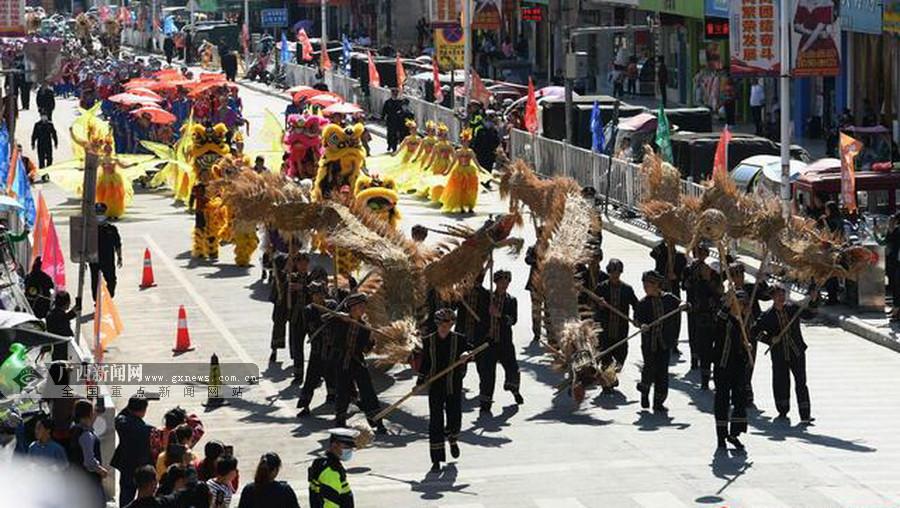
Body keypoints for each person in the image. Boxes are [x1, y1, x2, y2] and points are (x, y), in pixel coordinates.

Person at [754, 284, 815, 423]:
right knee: (781, 381)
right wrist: (769, 339)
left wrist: (813, 300)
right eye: (777, 295)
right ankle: (782, 410)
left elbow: (810, 314)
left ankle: (805, 414)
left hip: (796, 351)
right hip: (779, 354)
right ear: (772, 298)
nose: (781, 297)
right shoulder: (767, 316)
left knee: (801, 382)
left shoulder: (792, 310)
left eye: (783, 294)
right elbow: (754, 331)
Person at [420, 308, 471, 472]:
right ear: (437, 323)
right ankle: (436, 459)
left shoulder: (459, 339)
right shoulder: (429, 341)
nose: (445, 326)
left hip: (453, 385)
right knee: (435, 421)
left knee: (455, 417)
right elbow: (425, 364)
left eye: (449, 323)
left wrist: (466, 355)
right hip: (435, 386)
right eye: (443, 323)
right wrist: (420, 381)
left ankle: (453, 439)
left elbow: (471, 351)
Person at [332, 293, 388, 432]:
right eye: (360, 306)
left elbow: (366, 350)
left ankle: (377, 422)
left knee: (368, 391)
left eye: (364, 306)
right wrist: (339, 316)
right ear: (352, 308)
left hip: (357, 361)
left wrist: (370, 338)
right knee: (342, 392)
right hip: (342, 360)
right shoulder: (340, 320)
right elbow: (325, 319)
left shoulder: (364, 326)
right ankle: (340, 421)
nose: (363, 309)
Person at [634, 270, 683, 411]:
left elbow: (683, 303)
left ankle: (658, 402)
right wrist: (641, 325)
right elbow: (637, 320)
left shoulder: (668, 298)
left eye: (647, 285)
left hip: (664, 342)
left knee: (662, 372)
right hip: (649, 343)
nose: (645, 287)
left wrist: (682, 305)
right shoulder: (643, 303)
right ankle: (644, 392)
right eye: (643, 285)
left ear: (656, 285)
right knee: (649, 368)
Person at [477, 270, 522, 412]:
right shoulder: (487, 298)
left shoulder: (511, 300)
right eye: (501, 282)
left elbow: (512, 320)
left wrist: (499, 315)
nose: (504, 284)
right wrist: (485, 268)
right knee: (487, 374)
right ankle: (485, 403)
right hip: (488, 342)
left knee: (513, 368)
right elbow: (476, 285)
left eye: (507, 282)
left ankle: (514, 390)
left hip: (504, 342)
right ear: (495, 282)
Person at [713, 291, 752, 450]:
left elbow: (744, 341)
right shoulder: (725, 319)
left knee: (739, 399)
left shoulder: (743, 322)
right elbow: (719, 321)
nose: (740, 307)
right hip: (723, 366)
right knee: (722, 401)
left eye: (742, 305)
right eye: (738, 304)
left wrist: (746, 346)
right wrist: (728, 303)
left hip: (737, 367)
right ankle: (721, 436)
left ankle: (733, 434)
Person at [682, 243, 723, 389]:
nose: (701, 255)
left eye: (704, 253)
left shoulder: (713, 273)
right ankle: (695, 359)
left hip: (711, 314)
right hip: (694, 307)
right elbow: (684, 285)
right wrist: (692, 279)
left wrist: (709, 279)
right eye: (698, 252)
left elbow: (719, 291)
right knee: (693, 333)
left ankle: (710, 369)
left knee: (711, 344)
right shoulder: (690, 269)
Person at [297, 281, 337, 416]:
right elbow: (312, 327)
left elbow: (339, 321)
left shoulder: (332, 305)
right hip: (318, 349)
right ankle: (305, 405)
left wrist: (335, 316)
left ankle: (334, 396)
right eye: (315, 295)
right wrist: (324, 318)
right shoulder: (309, 310)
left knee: (334, 374)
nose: (318, 297)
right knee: (311, 378)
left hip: (332, 348)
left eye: (320, 294)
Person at [594, 259, 638, 377]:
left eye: (617, 273)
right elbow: (592, 307)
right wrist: (599, 304)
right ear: (608, 272)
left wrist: (637, 319)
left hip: (621, 329)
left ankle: (612, 375)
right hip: (605, 330)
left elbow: (636, 305)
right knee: (606, 358)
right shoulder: (601, 288)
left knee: (620, 356)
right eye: (612, 272)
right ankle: (607, 382)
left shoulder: (627, 289)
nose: (615, 275)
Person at [112, 396, 154, 507]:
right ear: (143, 411)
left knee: (125, 495)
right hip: (142, 466)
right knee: (145, 496)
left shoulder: (121, 423)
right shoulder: (148, 430)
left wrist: (132, 404)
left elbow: (121, 415)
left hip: (126, 465)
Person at [68, 399, 109, 505]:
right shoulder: (86, 435)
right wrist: (101, 471)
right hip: (90, 481)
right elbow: (89, 462)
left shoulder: (74, 428)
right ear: (89, 413)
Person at [308, 428, 358, 508]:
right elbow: (331, 503)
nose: (350, 450)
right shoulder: (331, 471)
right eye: (346, 447)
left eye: (351, 447)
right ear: (334, 445)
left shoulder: (322, 462)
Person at [90, 203, 123, 302]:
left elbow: (117, 244)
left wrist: (120, 257)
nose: (99, 215)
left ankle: (108, 299)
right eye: (97, 212)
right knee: (95, 281)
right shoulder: (90, 230)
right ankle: (97, 301)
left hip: (108, 259)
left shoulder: (111, 229)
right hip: (94, 260)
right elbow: (84, 245)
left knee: (111, 280)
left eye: (101, 212)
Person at [288, 253, 311, 382]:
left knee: (316, 348)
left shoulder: (312, 278)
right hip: (296, 318)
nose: (303, 266)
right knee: (297, 347)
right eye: (300, 263)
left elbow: (317, 290)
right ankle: (298, 374)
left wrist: (302, 287)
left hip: (310, 318)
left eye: (305, 263)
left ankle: (317, 374)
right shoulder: (292, 278)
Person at [382, 88, 405, 152]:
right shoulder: (388, 102)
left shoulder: (399, 102)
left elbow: (402, 110)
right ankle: (389, 144)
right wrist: (382, 118)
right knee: (390, 134)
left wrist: (400, 113)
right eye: (393, 93)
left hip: (397, 121)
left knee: (395, 134)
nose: (395, 95)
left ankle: (394, 147)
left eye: (396, 94)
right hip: (390, 120)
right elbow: (384, 111)